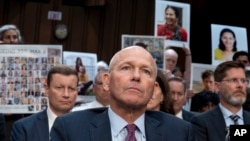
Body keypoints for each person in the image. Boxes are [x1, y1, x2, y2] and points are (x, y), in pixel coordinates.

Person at [50, 46, 195, 141]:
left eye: (146, 71)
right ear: (106, 81)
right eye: (126, 68)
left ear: (153, 88)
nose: (136, 76)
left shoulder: (180, 133)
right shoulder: (70, 129)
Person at [9, 65, 79, 141]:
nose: (66, 94)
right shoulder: (24, 128)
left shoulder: (88, 126)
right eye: (59, 88)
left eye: (71, 89)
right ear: (47, 89)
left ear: (77, 91)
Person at [190, 61, 250, 141]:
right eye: (233, 80)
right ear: (217, 87)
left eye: (243, 80)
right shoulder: (201, 122)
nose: (240, 85)